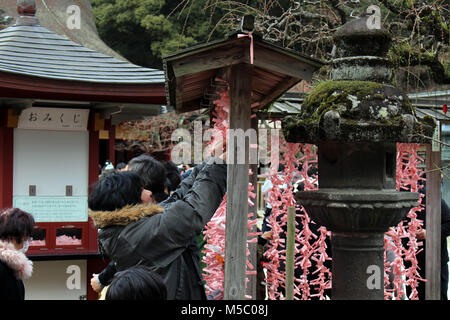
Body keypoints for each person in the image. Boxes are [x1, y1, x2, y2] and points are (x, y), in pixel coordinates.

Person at [88, 159, 226, 300]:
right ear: (128, 204)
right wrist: (220, 162)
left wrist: (212, 160)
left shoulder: (129, 227)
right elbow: (192, 211)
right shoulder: (138, 235)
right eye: (141, 190)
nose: (148, 193)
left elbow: (177, 198)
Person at [0, 208, 35, 300]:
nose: (27, 242)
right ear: (11, 237)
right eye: (25, 237)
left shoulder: (12, 265)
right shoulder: (4, 268)